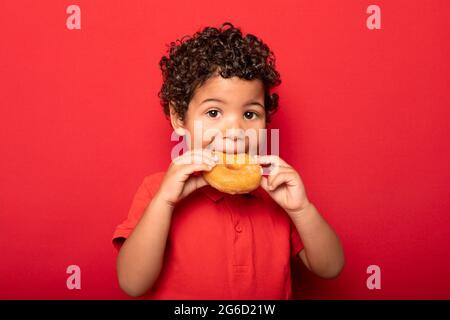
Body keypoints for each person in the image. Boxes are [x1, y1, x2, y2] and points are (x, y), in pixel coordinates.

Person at [112, 22, 344, 299]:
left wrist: (302, 209)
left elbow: (331, 268)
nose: (234, 132)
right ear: (178, 118)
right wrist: (164, 203)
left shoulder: (277, 193)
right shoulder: (157, 191)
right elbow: (132, 283)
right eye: (213, 113)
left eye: (249, 115)